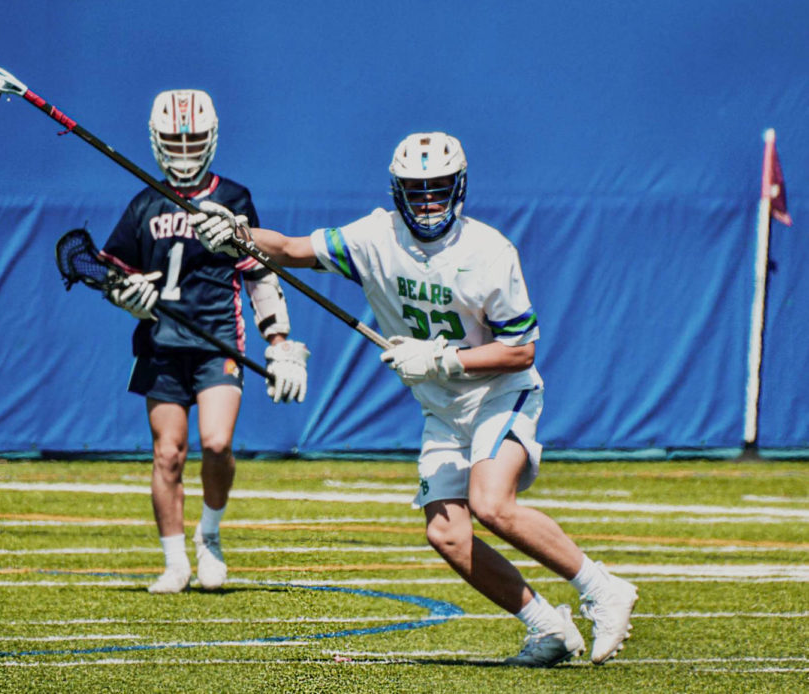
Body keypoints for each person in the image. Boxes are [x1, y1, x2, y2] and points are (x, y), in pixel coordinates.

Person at [190, 131, 638, 666]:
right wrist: (239, 234)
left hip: (500, 393)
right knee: (446, 533)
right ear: (396, 190)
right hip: (442, 408)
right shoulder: (375, 237)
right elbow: (290, 250)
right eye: (416, 189)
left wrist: (443, 358)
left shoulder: (489, 251)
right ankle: (547, 627)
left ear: (460, 187)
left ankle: (601, 588)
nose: (427, 201)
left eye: (438, 188)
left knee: (491, 503)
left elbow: (521, 352)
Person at [102, 89, 310, 594]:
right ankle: (174, 562)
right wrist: (124, 295)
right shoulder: (144, 201)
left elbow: (258, 272)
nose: (184, 149)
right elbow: (111, 271)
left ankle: (209, 536)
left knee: (216, 444)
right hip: (160, 345)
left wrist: (280, 341)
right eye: (175, 139)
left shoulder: (233, 198)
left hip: (219, 340)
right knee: (167, 454)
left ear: (212, 138)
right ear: (156, 140)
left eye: (193, 138)